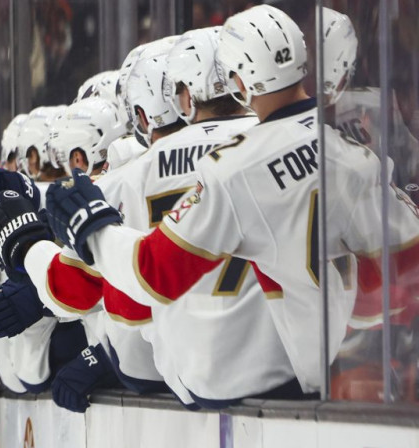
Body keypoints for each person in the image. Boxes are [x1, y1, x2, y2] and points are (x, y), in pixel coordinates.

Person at [31, 5, 419, 396]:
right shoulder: (353, 152)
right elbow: (406, 267)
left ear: (239, 78)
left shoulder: (236, 166)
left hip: (271, 384)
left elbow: (154, 272)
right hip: (364, 373)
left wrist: (93, 227)